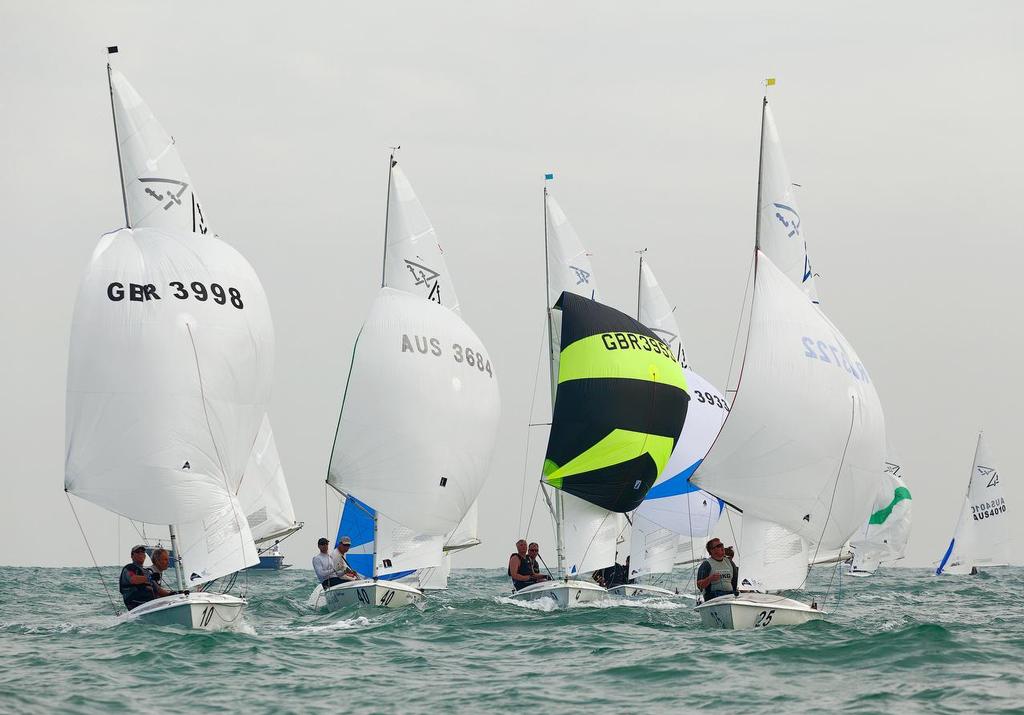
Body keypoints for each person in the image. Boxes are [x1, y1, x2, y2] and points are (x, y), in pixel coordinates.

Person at [695, 538, 738, 603]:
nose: (722, 548)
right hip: (713, 598)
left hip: (730, 597)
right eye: (719, 546)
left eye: (722, 545)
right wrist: (710, 579)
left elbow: (735, 582)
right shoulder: (706, 564)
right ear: (712, 550)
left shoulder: (730, 563)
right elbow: (699, 585)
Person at [119, 545, 157, 610]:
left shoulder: (147, 571)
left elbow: (157, 589)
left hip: (150, 603)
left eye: (142, 552)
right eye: (138, 552)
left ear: (145, 556)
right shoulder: (129, 568)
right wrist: (150, 577)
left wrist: (171, 593)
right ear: (132, 556)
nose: (140, 554)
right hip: (136, 604)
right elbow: (133, 579)